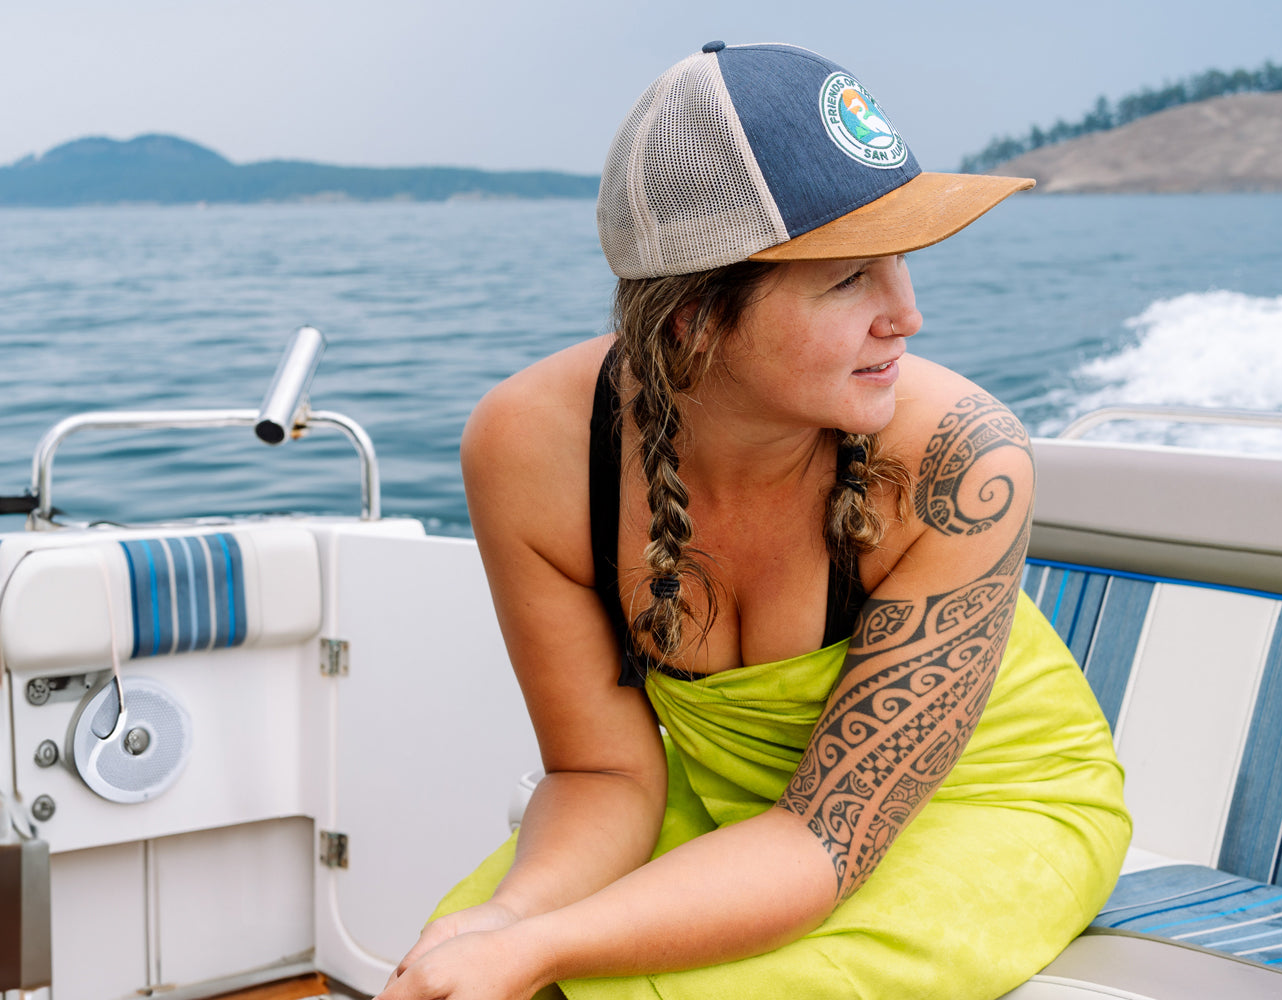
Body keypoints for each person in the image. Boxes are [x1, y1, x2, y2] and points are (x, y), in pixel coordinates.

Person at [379, 41, 1130, 1000]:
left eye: (901, 262)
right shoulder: (532, 449)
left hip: (980, 806)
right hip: (725, 812)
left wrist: (546, 948)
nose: (907, 314)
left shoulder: (958, 461)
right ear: (692, 316)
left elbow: (822, 836)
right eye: (850, 277)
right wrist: (508, 922)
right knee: (450, 962)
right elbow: (604, 777)